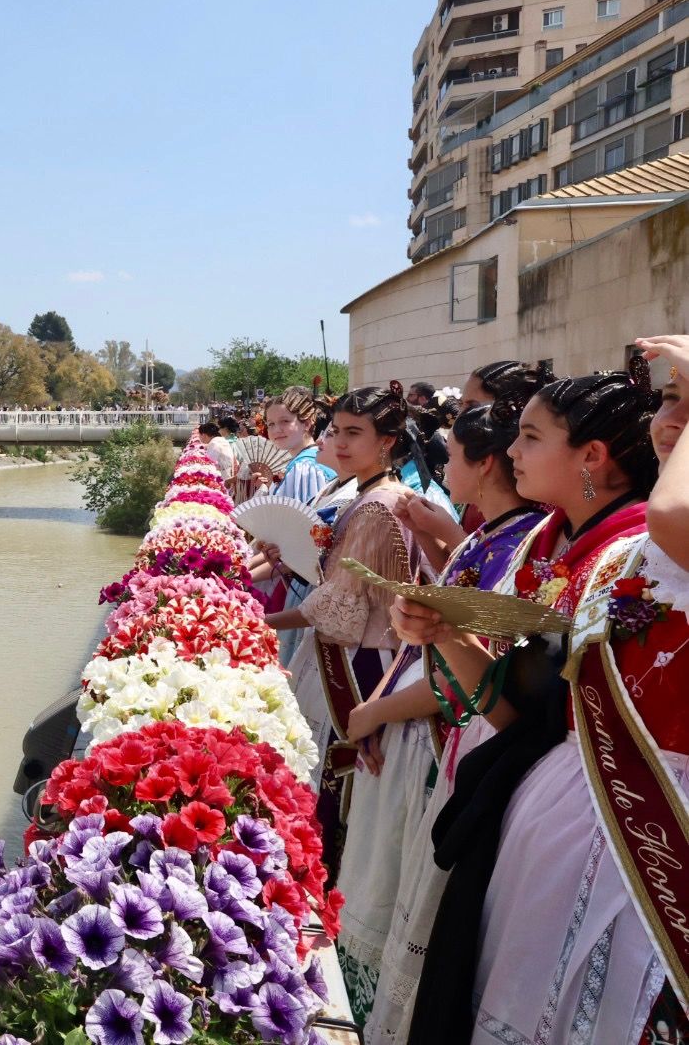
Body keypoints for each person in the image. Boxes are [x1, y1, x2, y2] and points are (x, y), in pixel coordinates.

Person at [405, 356, 669, 1044]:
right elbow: (513, 707)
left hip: (615, 814)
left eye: (529, 437)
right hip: (537, 792)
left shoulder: (644, 552)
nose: (511, 452)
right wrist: (444, 634)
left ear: (592, 456)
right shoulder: (547, 543)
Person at [339, 398, 543, 1034]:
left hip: (446, 738)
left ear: (481, 465)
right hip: (436, 730)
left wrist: (375, 710)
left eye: (451, 454)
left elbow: (468, 670)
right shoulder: (494, 532)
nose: (439, 464)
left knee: (411, 889)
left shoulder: (523, 545)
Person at [263, 383, 422, 876]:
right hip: (354, 650)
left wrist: (254, 621)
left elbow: (335, 607)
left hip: (358, 661)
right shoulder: (367, 495)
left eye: (356, 433)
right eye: (337, 431)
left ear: (388, 441)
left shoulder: (378, 506)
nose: (343, 443)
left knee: (332, 779)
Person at [248, 387, 338, 665]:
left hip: (299, 581)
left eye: (285, 422)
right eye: (271, 423)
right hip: (288, 573)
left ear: (308, 422)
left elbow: (302, 540)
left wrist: (242, 574)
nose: (276, 430)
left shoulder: (306, 469)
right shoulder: (300, 464)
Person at [199, 420, 238, 492]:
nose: (199, 438)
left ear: (204, 435)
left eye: (200, 435)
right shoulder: (221, 440)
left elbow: (208, 464)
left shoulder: (214, 443)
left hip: (223, 480)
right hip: (228, 475)